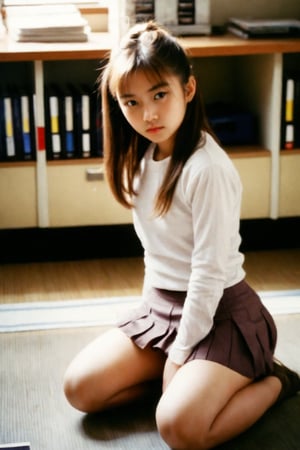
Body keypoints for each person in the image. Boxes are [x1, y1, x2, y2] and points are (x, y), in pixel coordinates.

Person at [63, 21, 300, 449]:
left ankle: (276, 381)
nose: (148, 114)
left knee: (180, 429)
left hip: (220, 315)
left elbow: (207, 276)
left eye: (159, 94)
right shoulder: (140, 158)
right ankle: (192, 387)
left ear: (188, 89)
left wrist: (179, 353)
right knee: (80, 389)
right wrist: (163, 341)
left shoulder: (206, 169)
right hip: (162, 310)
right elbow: (158, 255)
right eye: (131, 102)